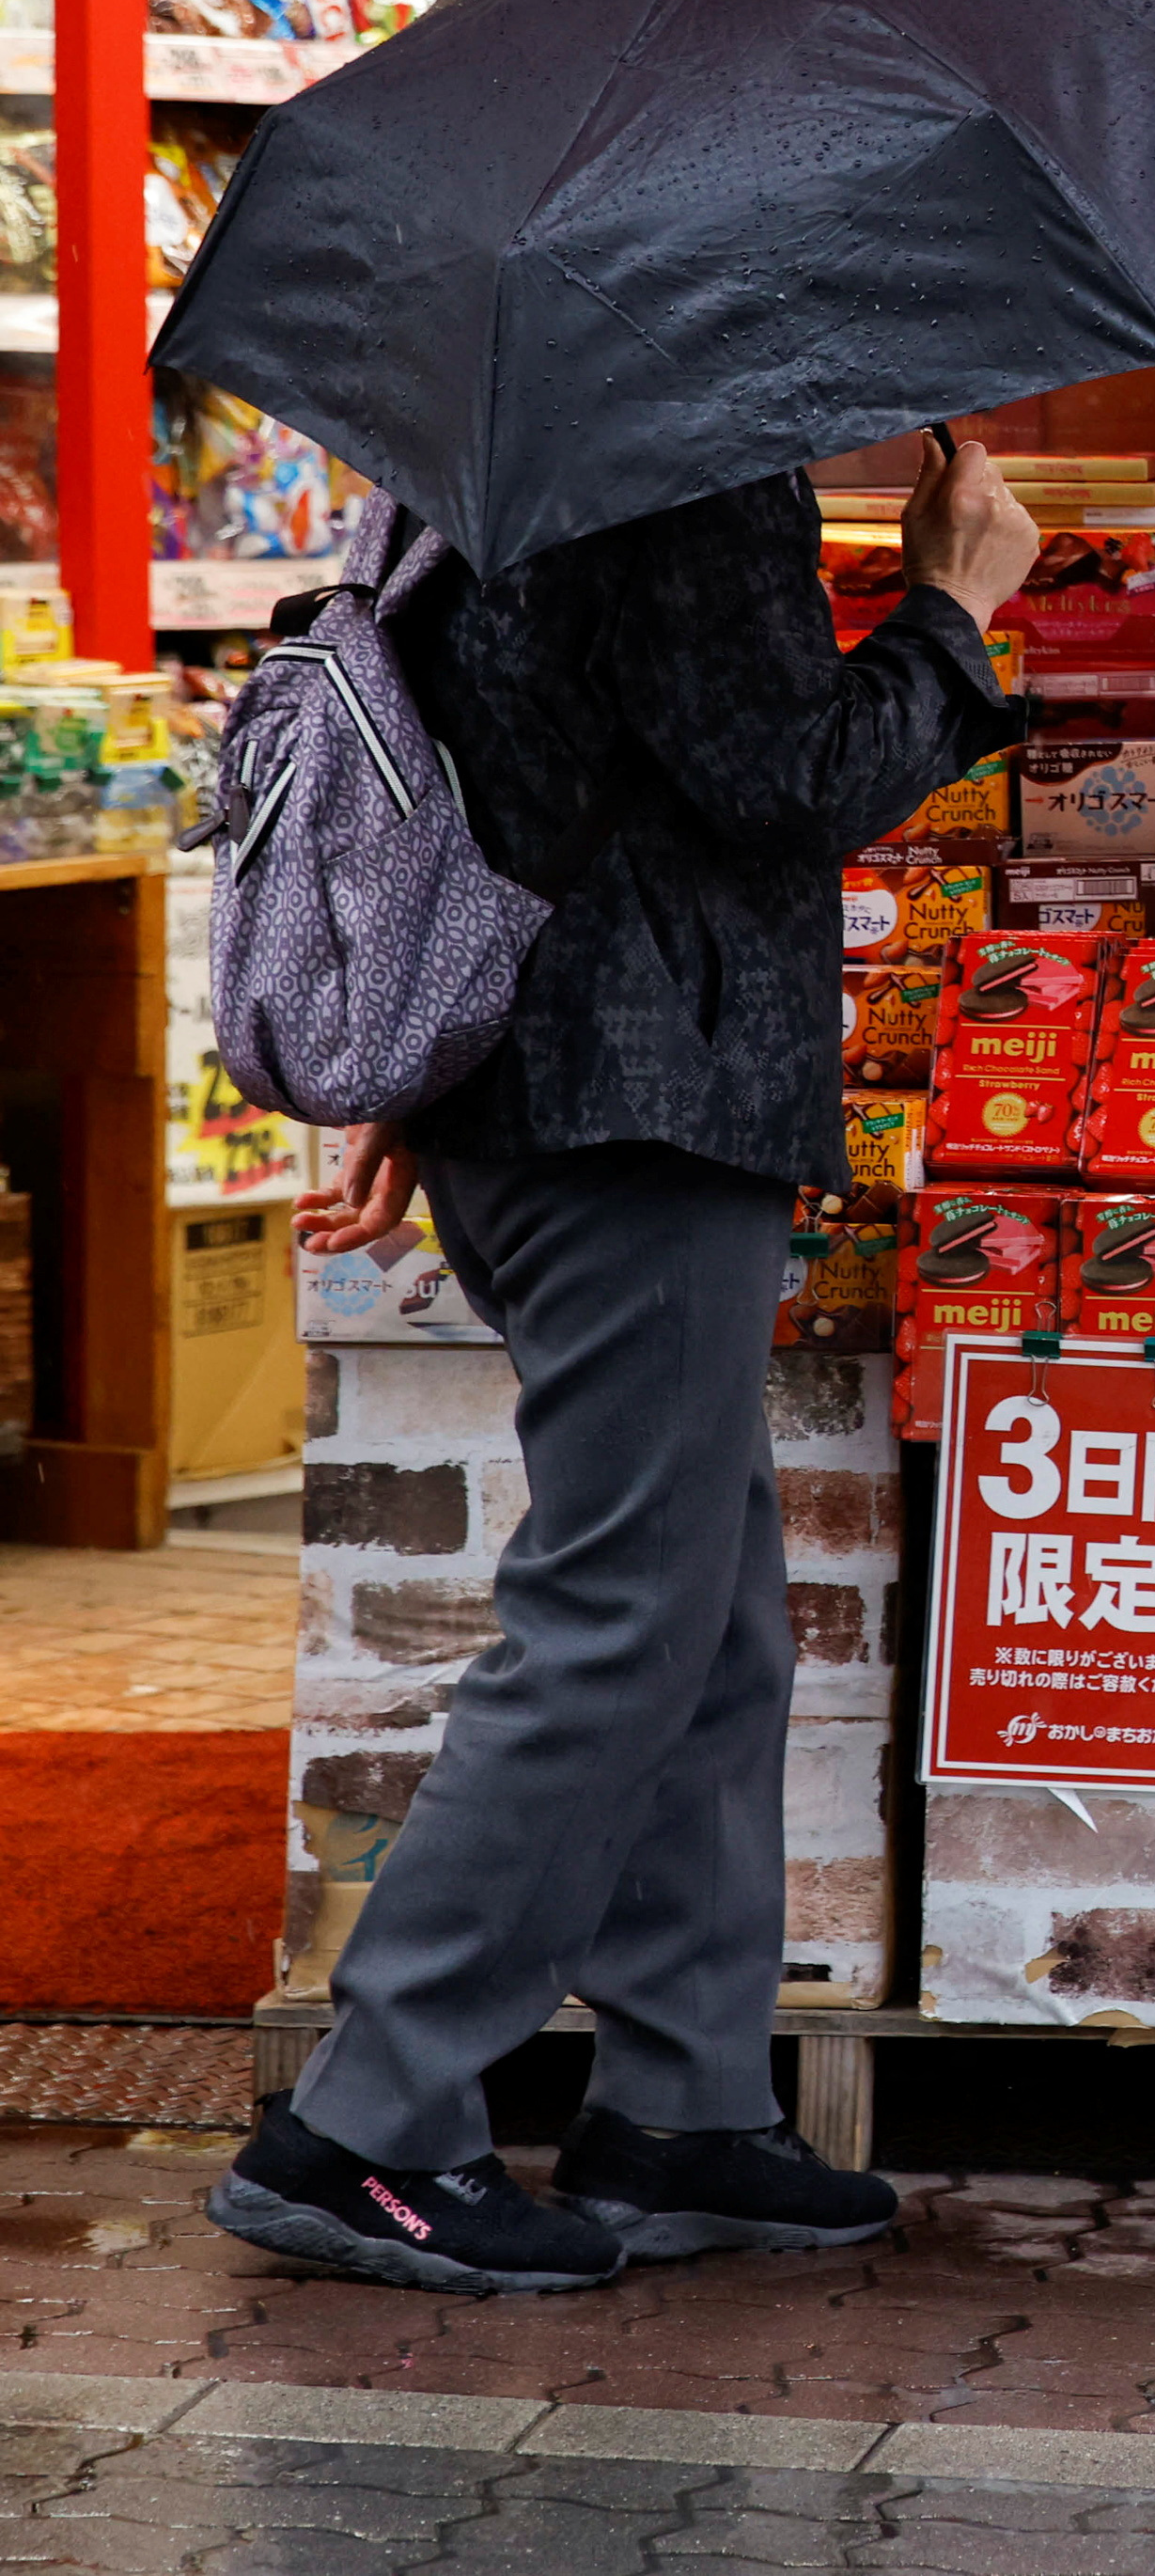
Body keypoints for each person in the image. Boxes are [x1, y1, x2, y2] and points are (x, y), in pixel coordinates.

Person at [224, 437, 1041, 2297]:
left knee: (708, 1596)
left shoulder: (488, 449)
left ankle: (678, 2098)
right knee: (622, 1604)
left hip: (546, 1089)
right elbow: (787, 777)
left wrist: (436, 1089)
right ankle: (369, 2118)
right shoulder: (680, 474)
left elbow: (501, 763)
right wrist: (951, 606)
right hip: (632, 1105)